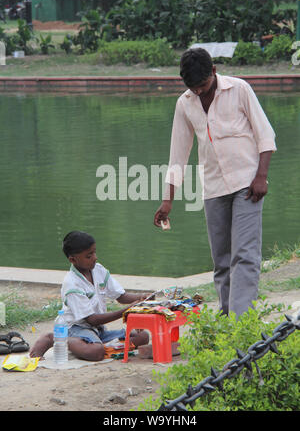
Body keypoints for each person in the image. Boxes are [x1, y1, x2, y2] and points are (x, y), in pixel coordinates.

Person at [154, 47, 277, 319]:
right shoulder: (184, 103)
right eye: (193, 88)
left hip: (248, 184)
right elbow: (178, 154)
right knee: (221, 260)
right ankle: (226, 317)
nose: (199, 92)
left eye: (203, 85)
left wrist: (261, 176)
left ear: (214, 71)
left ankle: (240, 321)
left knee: (244, 256)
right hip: (213, 188)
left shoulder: (240, 89)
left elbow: (265, 134)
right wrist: (167, 200)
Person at [30, 231, 149, 360]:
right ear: (73, 260)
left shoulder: (98, 270)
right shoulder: (72, 284)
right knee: (96, 352)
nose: (95, 257)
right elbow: (92, 319)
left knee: (143, 337)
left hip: (98, 329)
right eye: (89, 255)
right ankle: (56, 337)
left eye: (94, 252)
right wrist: (127, 311)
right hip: (76, 328)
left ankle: (98, 343)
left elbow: (121, 296)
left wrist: (142, 297)